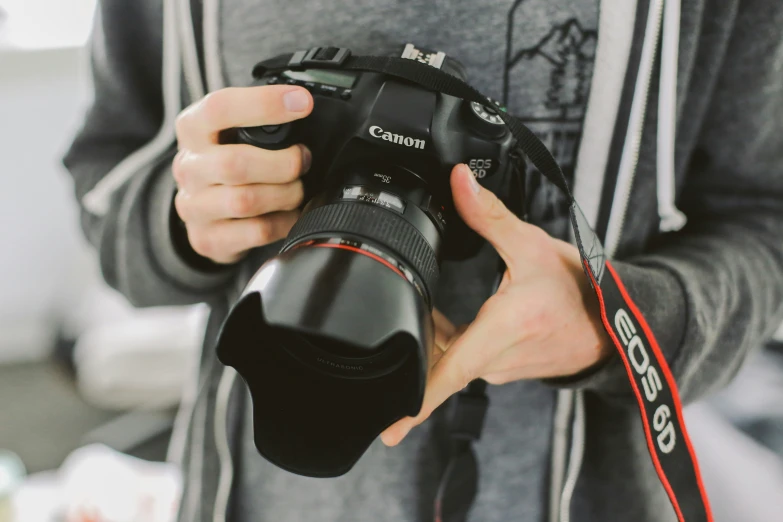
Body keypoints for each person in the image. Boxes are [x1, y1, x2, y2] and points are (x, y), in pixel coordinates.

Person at [63, 0, 783, 521]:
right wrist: (186, 218)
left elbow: (765, 219)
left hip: (577, 495)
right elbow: (104, 179)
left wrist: (614, 320)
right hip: (254, 495)